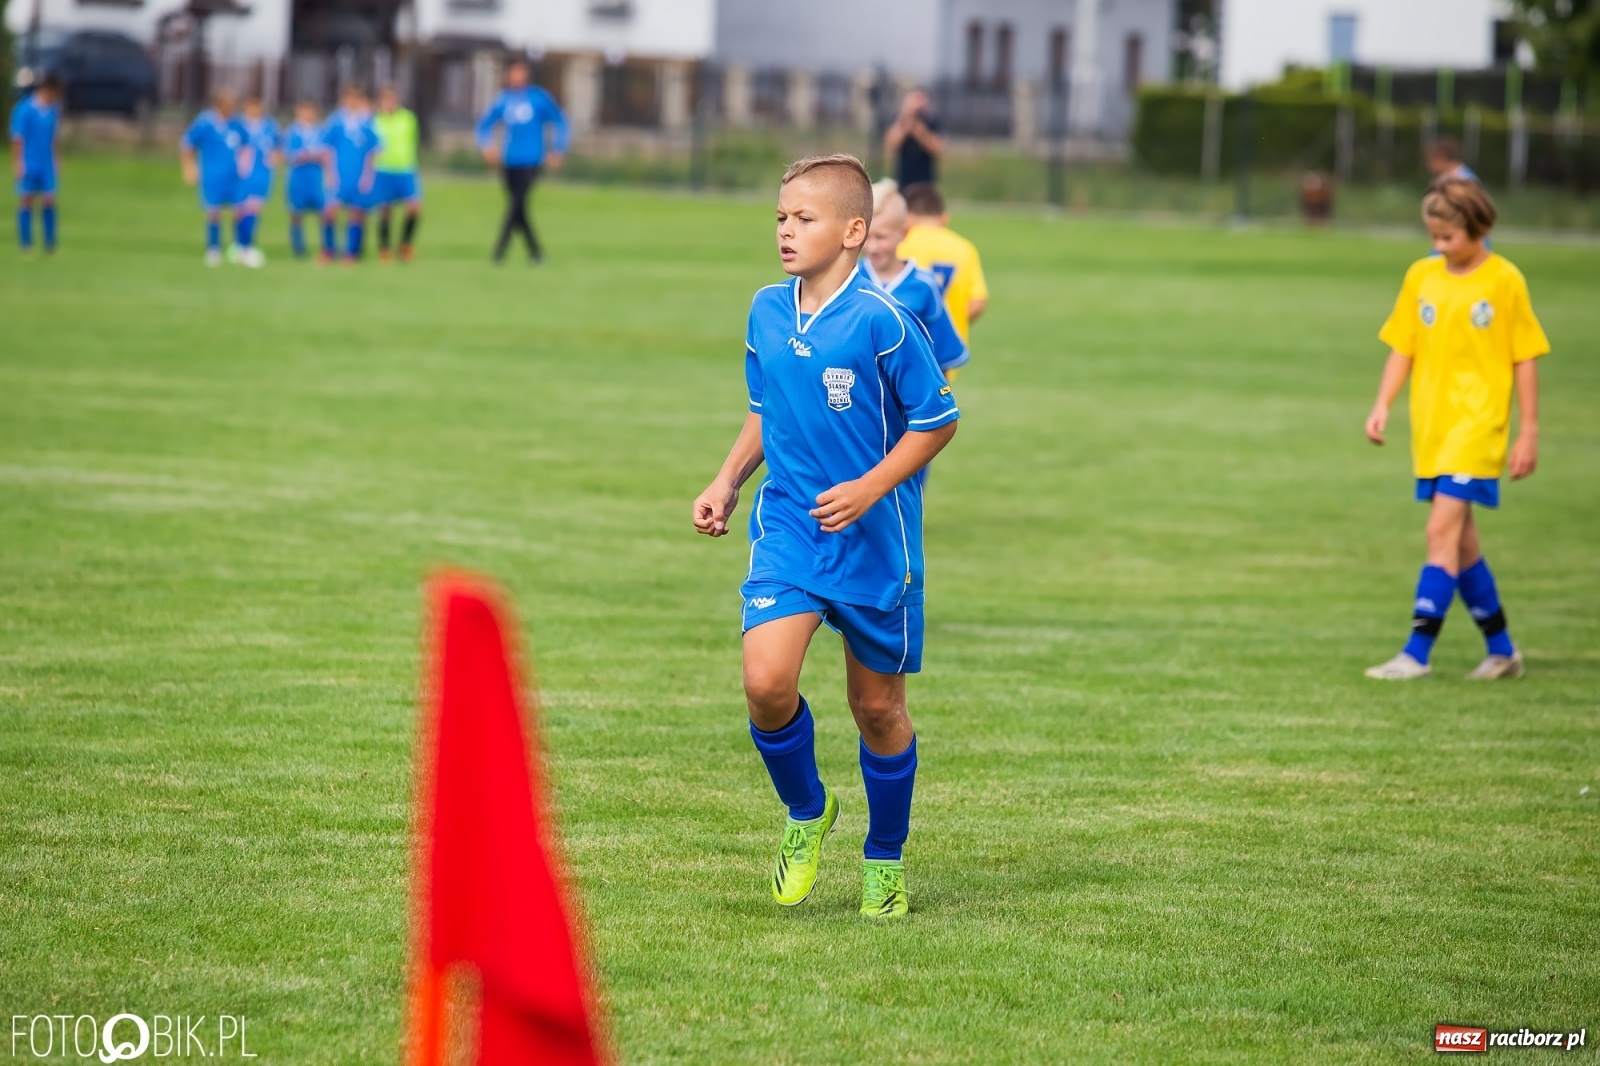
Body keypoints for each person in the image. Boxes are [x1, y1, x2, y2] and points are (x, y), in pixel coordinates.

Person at [691, 154, 959, 920]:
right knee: (765, 682)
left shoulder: (883, 321)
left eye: (802, 219)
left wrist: (873, 486)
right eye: (779, 218)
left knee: (876, 709)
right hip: (791, 532)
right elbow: (765, 408)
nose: (785, 231)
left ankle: (884, 858)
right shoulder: (766, 310)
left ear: (852, 231)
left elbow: (938, 421)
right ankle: (807, 812)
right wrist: (727, 480)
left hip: (877, 544)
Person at [1363, 179, 1548, 681]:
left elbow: (1525, 356)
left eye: (1448, 237)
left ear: (1479, 227)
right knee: (1462, 543)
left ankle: (1415, 654)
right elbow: (1403, 345)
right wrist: (1382, 403)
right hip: (1433, 428)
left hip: (1478, 427)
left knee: (1439, 532)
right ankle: (1503, 650)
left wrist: (1527, 430)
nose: (1439, 246)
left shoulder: (1504, 281)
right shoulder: (1421, 276)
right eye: (1433, 236)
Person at [863, 180, 968, 380]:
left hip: (906, 407)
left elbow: (942, 359)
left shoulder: (924, 285)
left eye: (881, 237)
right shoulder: (847, 278)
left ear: (904, 232)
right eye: (867, 237)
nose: (873, 246)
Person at [475, 60, 569, 263]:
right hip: (510, 159)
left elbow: (560, 121)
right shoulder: (503, 100)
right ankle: (535, 252)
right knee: (518, 207)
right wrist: (487, 147)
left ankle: (499, 251)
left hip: (532, 159)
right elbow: (484, 125)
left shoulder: (538, 98)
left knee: (517, 203)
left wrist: (557, 150)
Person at [897, 182, 988, 349]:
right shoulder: (965, 249)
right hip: (947, 347)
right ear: (945, 217)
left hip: (907, 344)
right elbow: (977, 303)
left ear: (907, 218)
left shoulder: (901, 245)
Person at [180, 88, 250, 268]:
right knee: (214, 212)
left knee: (239, 211)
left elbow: (246, 144)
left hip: (233, 175)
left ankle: (240, 249)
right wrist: (189, 168)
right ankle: (213, 249)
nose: (231, 109)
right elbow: (187, 143)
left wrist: (244, 164)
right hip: (212, 174)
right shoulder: (205, 122)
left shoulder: (236, 123)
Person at [323, 85, 381, 263]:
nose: (351, 102)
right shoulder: (336, 122)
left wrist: (368, 175)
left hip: (359, 176)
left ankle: (351, 252)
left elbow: (374, 151)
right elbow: (327, 149)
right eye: (348, 98)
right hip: (339, 174)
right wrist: (329, 173)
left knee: (356, 214)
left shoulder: (367, 123)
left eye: (355, 98)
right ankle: (329, 251)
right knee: (330, 212)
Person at [10, 74, 61, 256]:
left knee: (49, 200)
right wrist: (18, 163)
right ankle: (26, 243)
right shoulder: (25, 109)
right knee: (27, 200)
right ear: (47, 89)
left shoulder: (54, 109)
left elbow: (54, 137)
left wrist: (56, 160)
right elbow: (17, 138)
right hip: (29, 161)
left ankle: (50, 244)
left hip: (46, 163)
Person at [372, 85, 423, 263]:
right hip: (383, 169)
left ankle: (405, 245)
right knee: (385, 209)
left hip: (406, 169)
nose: (389, 103)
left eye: (392, 99)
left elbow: (413, 141)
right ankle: (384, 247)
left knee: (414, 208)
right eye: (385, 100)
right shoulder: (375, 121)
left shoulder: (408, 119)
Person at [284, 100, 334, 261]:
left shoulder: (321, 131)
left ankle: (328, 248)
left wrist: (329, 173)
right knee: (296, 213)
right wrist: (310, 155)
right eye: (304, 110)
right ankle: (299, 249)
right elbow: (290, 155)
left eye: (310, 110)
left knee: (324, 213)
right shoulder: (292, 131)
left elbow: (327, 154)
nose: (308, 114)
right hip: (298, 178)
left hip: (317, 179)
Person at [233, 96, 278, 268]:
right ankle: (240, 245)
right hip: (241, 175)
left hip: (261, 174)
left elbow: (277, 147)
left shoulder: (270, 126)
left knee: (255, 208)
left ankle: (247, 246)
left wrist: (274, 159)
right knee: (240, 210)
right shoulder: (238, 126)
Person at [884, 88, 943, 190]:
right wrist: (906, 123)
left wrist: (920, 132)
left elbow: (938, 148)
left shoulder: (930, 123)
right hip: (903, 179)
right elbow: (891, 143)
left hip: (925, 180)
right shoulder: (900, 122)